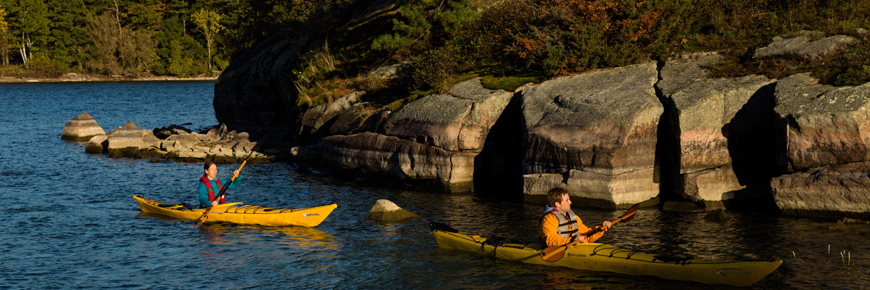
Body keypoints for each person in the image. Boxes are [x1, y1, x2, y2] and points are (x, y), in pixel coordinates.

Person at [538, 187, 612, 247]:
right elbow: (550, 239)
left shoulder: (572, 216)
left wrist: (600, 228)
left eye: (569, 199)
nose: (570, 202)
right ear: (557, 204)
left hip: (573, 248)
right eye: (567, 200)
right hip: (555, 250)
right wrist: (572, 240)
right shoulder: (549, 219)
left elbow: (587, 236)